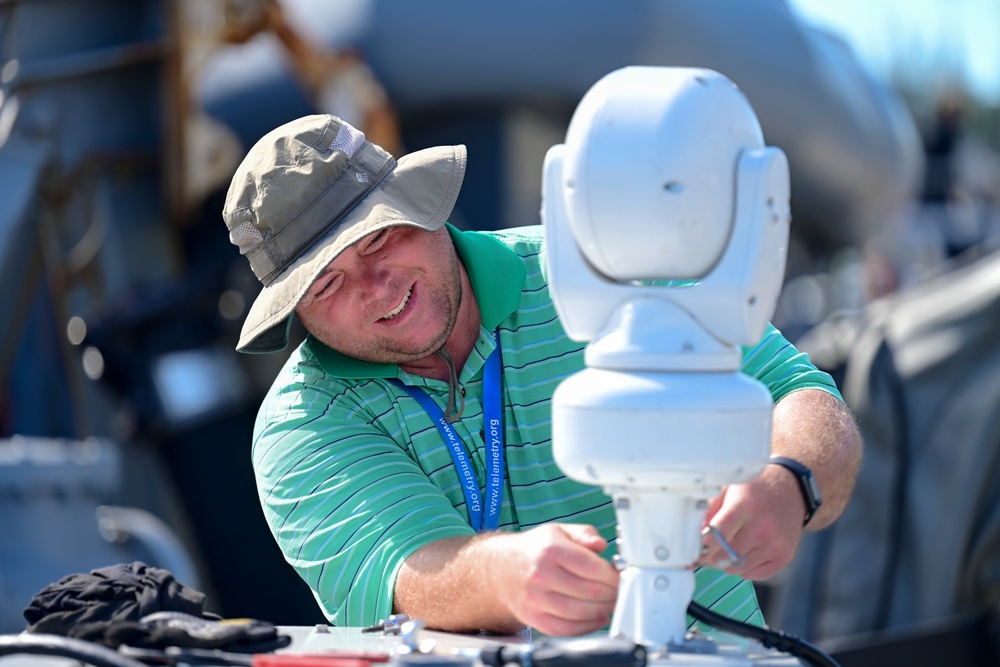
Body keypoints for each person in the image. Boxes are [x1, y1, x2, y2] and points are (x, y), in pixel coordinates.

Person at [222, 114, 862, 637]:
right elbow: (407, 574)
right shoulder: (299, 425)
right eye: (328, 282)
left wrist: (790, 482)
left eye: (378, 239)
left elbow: (799, 394)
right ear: (296, 311)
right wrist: (507, 577)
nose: (375, 286)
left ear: (422, 205)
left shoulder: (607, 270)